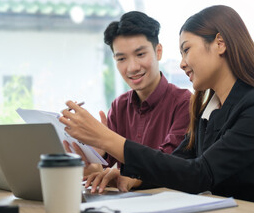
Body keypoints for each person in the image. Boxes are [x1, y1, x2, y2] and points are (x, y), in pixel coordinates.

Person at [60, 5, 254, 212]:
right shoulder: (208, 111)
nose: (181, 63)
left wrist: (106, 138)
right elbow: (177, 165)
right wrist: (122, 174)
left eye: (186, 50)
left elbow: (199, 175)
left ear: (220, 43)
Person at [64, 11, 191, 191]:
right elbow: (107, 173)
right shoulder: (118, 106)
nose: (132, 67)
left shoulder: (184, 102)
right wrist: (92, 161)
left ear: (158, 51)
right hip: (126, 205)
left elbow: (171, 163)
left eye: (140, 54)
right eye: (121, 58)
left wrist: (105, 139)